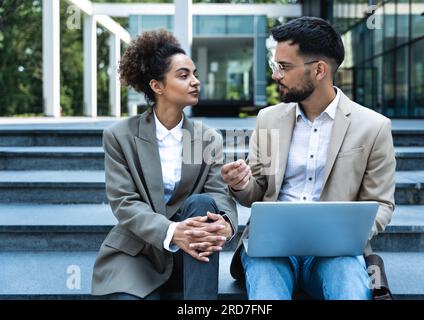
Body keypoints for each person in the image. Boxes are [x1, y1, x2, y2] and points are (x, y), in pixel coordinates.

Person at [221, 17, 396, 300]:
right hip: (271, 249)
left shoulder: (373, 126)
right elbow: (256, 190)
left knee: (349, 284)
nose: (276, 75)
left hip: (335, 251)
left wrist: (348, 233)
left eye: (284, 67)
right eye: (275, 66)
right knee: (266, 290)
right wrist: (241, 184)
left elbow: (382, 203)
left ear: (319, 70)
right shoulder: (269, 119)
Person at [91, 29, 237, 300]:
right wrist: (172, 231)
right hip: (138, 253)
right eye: (183, 76)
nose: (195, 82)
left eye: (194, 74)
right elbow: (125, 203)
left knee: (204, 204)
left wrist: (226, 223)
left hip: (193, 255)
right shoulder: (120, 136)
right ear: (156, 86)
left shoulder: (207, 139)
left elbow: (219, 194)